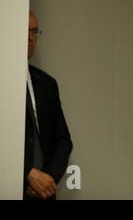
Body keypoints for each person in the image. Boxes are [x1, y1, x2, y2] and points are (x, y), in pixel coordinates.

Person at [24, 11, 73, 200]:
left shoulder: (47, 83)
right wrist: (27, 173)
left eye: (34, 32)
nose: (29, 38)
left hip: (43, 193)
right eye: (24, 30)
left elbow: (63, 140)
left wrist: (48, 179)